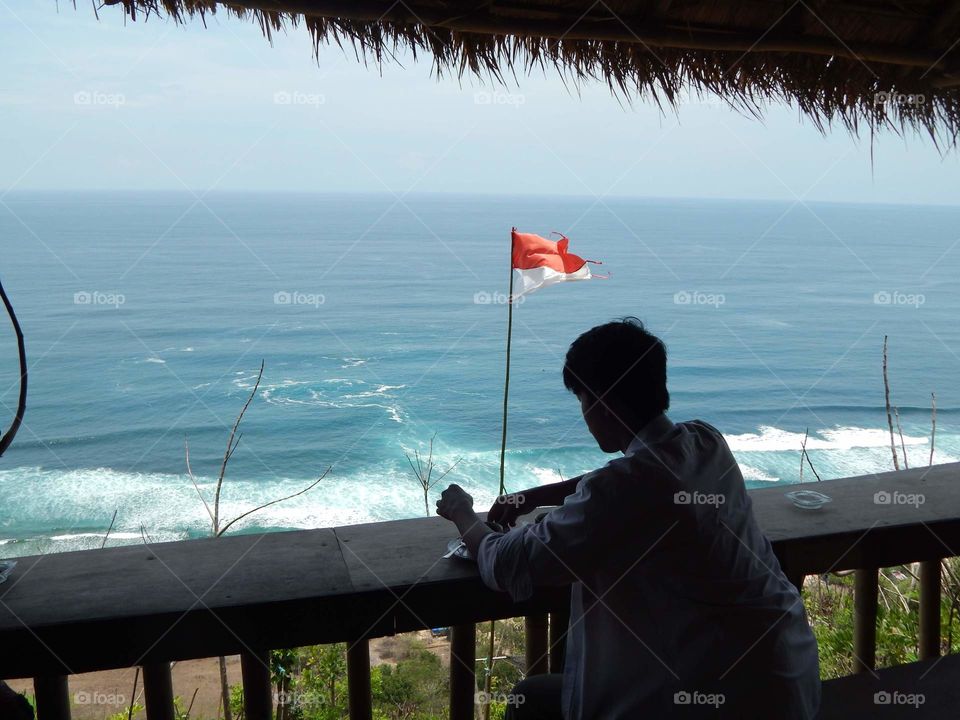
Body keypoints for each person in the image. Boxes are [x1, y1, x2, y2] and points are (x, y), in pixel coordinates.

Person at [436, 317, 820, 719]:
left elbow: (507, 562)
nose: (584, 415)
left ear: (600, 401)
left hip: (708, 694)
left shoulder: (623, 489)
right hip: (783, 676)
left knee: (529, 702)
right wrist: (534, 496)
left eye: (583, 400)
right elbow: (639, 474)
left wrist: (464, 513)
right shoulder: (706, 441)